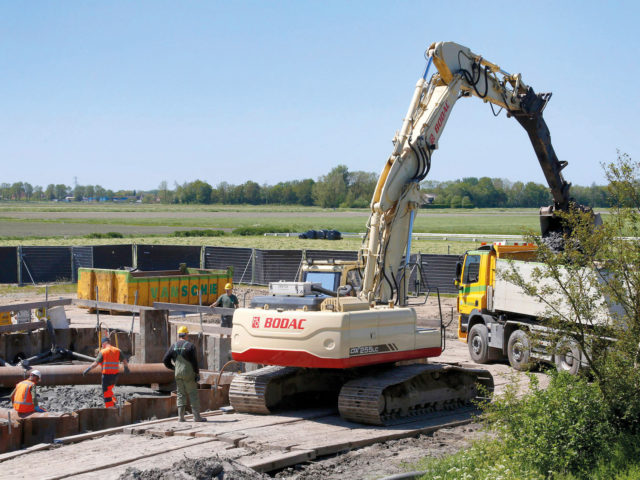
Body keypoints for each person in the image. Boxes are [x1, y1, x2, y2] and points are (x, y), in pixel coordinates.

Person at [163, 326, 207, 422]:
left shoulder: (173, 346)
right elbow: (194, 362)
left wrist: (174, 368)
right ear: (186, 334)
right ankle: (196, 417)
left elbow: (165, 360)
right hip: (188, 373)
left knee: (180, 394)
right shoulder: (190, 346)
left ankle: (181, 417)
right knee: (192, 393)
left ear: (179, 335)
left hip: (178, 373)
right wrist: (197, 373)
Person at [83, 337, 129, 408]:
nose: (102, 346)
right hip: (115, 376)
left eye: (102, 344)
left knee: (106, 392)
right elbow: (124, 360)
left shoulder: (103, 352)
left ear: (104, 343)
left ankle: (109, 407)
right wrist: (126, 368)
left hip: (107, 376)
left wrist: (88, 369)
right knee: (109, 389)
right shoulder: (117, 350)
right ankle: (114, 402)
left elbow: (95, 364)